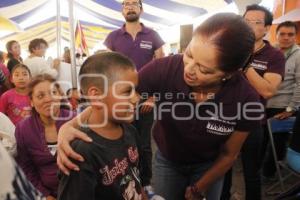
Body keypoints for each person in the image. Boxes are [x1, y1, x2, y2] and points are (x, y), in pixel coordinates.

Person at [56, 13, 263, 200]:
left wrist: (200, 187)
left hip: (210, 166)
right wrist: (70, 126)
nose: (189, 70)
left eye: (204, 70)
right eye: (189, 55)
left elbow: (229, 155)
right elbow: (112, 97)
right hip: (168, 161)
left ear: (229, 73)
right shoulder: (164, 69)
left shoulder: (246, 101)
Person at [57, 52, 146, 200]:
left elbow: (136, 180)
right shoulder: (81, 151)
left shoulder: (130, 130)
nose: (136, 98)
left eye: (135, 90)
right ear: (97, 96)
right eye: (127, 91)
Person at [221, 5, 285, 200]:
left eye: (257, 22)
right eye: (246, 21)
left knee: (251, 172)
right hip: (224, 117)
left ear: (266, 28)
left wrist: (244, 65)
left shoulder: (274, 55)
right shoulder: (228, 48)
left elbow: (267, 90)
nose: (249, 26)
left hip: (252, 121)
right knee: (222, 168)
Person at [104, 0, 165, 190]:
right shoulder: (113, 37)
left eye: (134, 3)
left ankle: (145, 183)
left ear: (141, 9)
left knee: (144, 144)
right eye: (126, 4)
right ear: (122, 10)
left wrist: (153, 98)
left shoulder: (153, 35)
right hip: (121, 100)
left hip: (146, 100)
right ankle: (127, 182)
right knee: (122, 143)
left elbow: (162, 67)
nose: (130, 6)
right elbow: (107, 68)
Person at [15, 74, 75, 200]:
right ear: (31, 102)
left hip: (79, 189)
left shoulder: (75, 120)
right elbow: (26, 168)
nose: (48, 99)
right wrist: (45, 195)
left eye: (53, 93)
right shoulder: (23, 129)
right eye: (40, 96)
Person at [263, 21, 300, 179]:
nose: (286, 37)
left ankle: (269, 174)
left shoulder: (299, 55)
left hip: (283, 106)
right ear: (276, 34)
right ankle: (258, 169)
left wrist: (290, 109)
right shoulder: (270, 51)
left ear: (295, 36)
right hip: (263, 102)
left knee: (276, 143)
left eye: (290, 34)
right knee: (261, 139)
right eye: (282, 34)